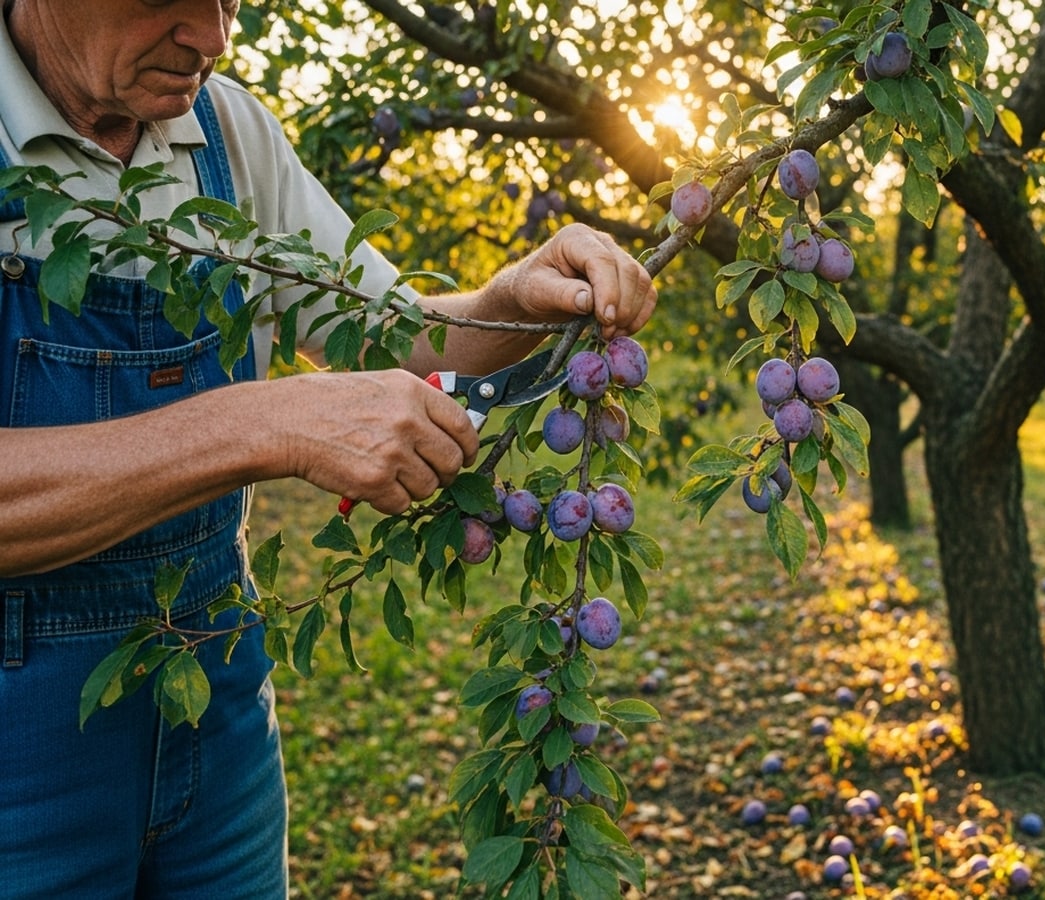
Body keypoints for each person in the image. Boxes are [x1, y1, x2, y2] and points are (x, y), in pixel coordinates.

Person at [0, 1, 656, 896]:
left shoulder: (225, 132)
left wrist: (514, 300)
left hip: (218, 717)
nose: (213, 37)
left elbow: (388, 335)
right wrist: (261, 423)